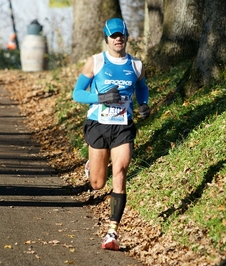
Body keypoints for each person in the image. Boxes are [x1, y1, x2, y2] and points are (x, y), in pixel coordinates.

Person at [72, 18, 151, 251]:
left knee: (120, 171)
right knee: (97, 183)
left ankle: (112, 233)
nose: (118, 39)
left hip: (123, 126)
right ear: (106, 38)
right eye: (113, 36)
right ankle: (91, 165)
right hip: (98, 123)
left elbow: (142, 87)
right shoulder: (95, 62)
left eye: (121, 35)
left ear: (126, 37)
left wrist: (144, 104)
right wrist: (101, 98)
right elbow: (77, 93)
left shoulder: (136, 65)